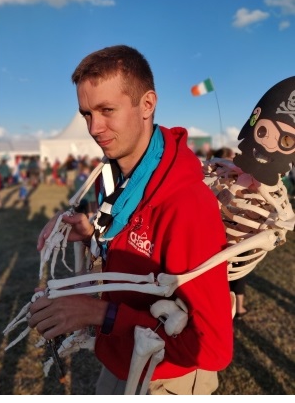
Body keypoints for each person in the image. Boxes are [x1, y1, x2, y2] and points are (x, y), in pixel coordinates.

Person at [28, 45, 233, 395]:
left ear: (147, 105)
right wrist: (92, 233)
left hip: (167, 376)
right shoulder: (120, 179)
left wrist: (100, 314)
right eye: (87, 114)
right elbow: (139, 248)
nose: (95, 128)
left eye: (107, 110)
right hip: (121, 356)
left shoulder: (186, 203)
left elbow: (212, 348)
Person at [212, 147, 248, 318]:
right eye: (231, 160)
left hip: (240, 236)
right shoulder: (217, 185)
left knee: (238, 272)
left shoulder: (243, 184)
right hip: (223, 235)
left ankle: (238, 307)